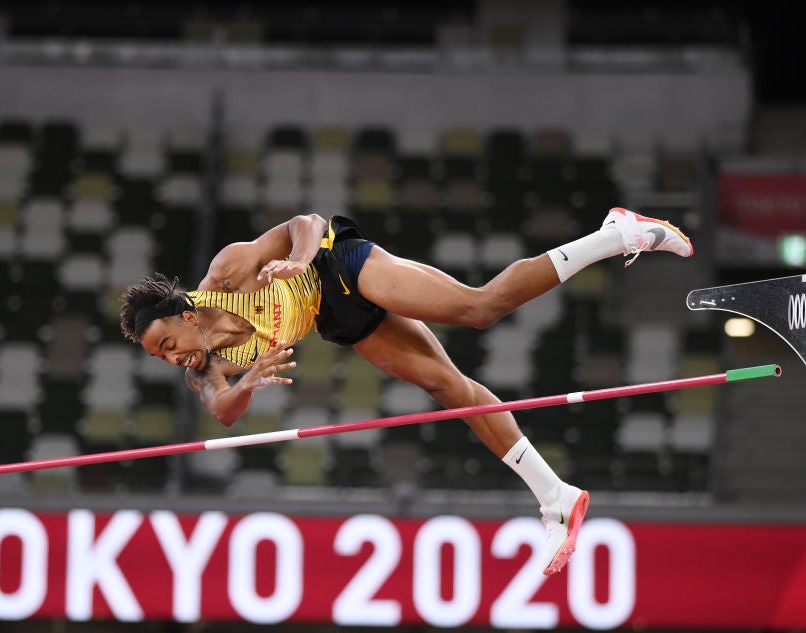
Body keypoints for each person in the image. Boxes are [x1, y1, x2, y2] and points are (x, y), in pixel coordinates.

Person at [119, 208, 693, 575]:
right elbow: (221, 412)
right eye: (161, 357)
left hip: (338, 267)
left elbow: (306, 223)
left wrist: (294, 263)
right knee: (452, 388)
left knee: (479, 307)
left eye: (169, 342)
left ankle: (612, 235)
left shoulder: (226, 275)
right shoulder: (206, 366)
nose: (175, 359)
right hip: (334, 318)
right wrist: (245, 381)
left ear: (187, 314)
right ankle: (556, 499)